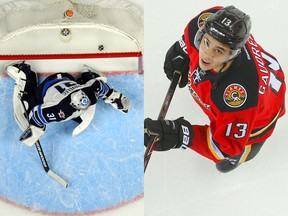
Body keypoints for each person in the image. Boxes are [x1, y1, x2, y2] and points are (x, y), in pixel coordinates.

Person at [144, 5, 286, 172]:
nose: (207, 54)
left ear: (233, 53)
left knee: (227, 159)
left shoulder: (239, 98)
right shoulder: (207, 20)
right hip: (256, 78)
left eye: (219, 50)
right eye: (207, 42)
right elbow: (193, 36)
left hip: (260, 116)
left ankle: (248, 150)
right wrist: (182, 50)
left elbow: (224, 148)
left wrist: (181, 135)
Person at [7, 61, 130, 147]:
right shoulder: (61, 111)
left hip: (66, 80)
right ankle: (26, 75)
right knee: (25, 113)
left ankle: (88, 77)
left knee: (88, 94)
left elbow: (100, 86)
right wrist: (35, 129)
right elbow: (36, 115)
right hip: (49, 85)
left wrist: (116, 97)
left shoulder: (89, 94)